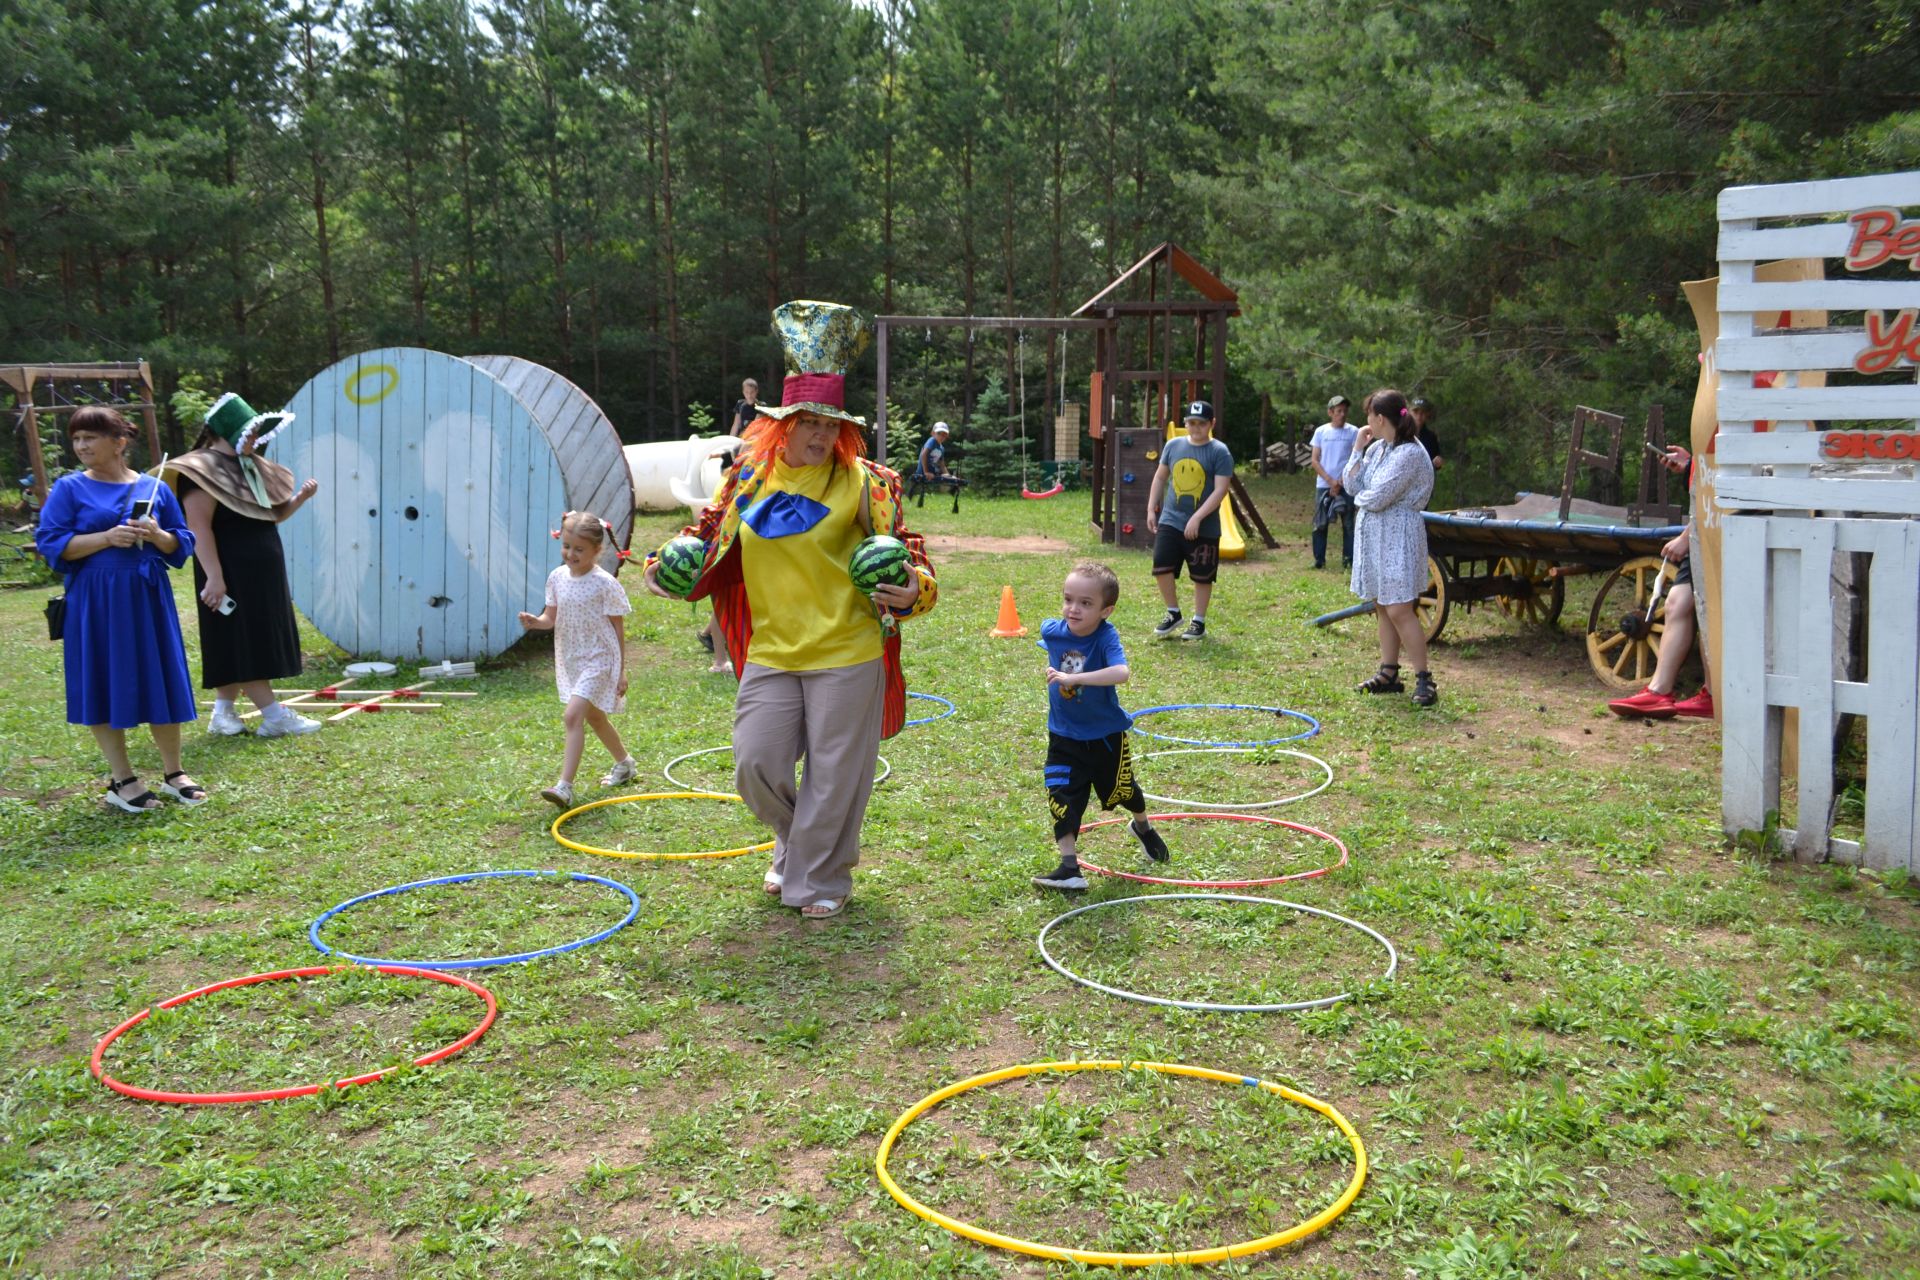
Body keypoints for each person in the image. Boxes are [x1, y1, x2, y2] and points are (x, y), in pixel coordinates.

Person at [643, 300, 938, 920]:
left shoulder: (867, 483)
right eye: (811, 422)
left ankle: (818, 878)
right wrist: (664, 571)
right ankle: (798, 841)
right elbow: (703, 536)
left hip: (849, 650)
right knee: (756, 762)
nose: (824, 435)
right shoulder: (747, 479)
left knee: (836, 778)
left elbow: (909, 555)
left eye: (834, 425)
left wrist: (913, 589)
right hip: (772, 650)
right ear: (784, 422)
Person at [36, 406, 205, 812]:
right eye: (76, 439)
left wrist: (158, 534)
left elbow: (182, 542)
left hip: (147, 595)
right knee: (104, 676)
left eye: (89, 438)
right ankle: (122, 779)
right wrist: (106, 537)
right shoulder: (69, 489)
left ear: (119, 442)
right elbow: (51, 544)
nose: (81, 446)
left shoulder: (154, 487)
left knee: (159, 674)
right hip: (96, 599)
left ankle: (174, 772)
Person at [165, 393, 323, 739]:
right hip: (229, 571)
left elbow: (269, 516)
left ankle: (222, 714)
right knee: (244, 637)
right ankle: (274, 716)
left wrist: (298, 500)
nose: (254, 440)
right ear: (229, 430)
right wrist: (215, 577)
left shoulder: (247, 466)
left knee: (236, 639)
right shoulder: (199, 470)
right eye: (250, 432)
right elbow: (199, 527)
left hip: (259, 572)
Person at [1031, 562, 1169, 890]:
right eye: (1068, 599)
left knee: (1125, 792)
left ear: (1106, 610)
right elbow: (1052, 646)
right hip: (1064, 735)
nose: (1073, 609)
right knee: (1062, 795)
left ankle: (1143, 827)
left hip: (1106, 736)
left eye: (1085, 603)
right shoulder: (1051, 630)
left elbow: (1121, 672)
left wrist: (1073, 678)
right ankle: (1069, 868)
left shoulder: (1106, 635)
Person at [520, 512, 637, 807]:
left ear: (597, 550)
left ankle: (564, 787)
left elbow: (618, 628)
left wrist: (621, 670)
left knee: (572, 715)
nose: (571, 554)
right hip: (572, 657)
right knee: (594, 717)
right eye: (567, 546)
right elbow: (551, 618)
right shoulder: (557, 578)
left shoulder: (604, 583)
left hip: (600, 657)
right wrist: (536, 621)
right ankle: (624, 763)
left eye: (579, 549)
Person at [1345, 388, 1439, 706]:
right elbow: (1352, 484)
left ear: (1380, 418)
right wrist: (1358, 449)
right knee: (1383, 604)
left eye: (1368, 415)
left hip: (1399, 536)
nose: (1366, 421)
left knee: (1399, 607)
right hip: (1376, 536)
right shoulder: (1378, 449)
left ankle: (1425, 679)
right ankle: (1388, 672)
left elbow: (1376, 496)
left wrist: (1362, 499)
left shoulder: (1410, 453)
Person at [1608, 444, 1714, 719]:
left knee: (1709, 610)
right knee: (1677, 603)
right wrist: (1690, 464)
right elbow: (1709, 478)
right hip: (1704, 531)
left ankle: (1714, 694)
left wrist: (1685, 538)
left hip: (1718, 531)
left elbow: (1725, 491)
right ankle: (1659, 692)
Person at [1147, 400, 1233, 641]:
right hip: (1171, 519)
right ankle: (1173, 613)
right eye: (1191, 423)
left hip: (1204, 526)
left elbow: (1220, 490)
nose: (1196, 428)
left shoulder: (1219, 452)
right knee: (1161, 564)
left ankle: (1199, 621)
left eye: (1201, 423)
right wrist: (1151, 507)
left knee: (1202, 574)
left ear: (1211, 423)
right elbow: (1160, 477)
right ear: (1185, 423)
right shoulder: (1173, 445)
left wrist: (1197, 518)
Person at [1310, 394, 1359, 570]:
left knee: (1348, 524)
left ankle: (1348, 560)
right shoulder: (1321, 432)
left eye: (1345, 411)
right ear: (1330, 412)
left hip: (1346, 485)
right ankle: (1319, 560)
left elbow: (1356, 459)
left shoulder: (1353, 432)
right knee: (1320, 523)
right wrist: (1331, 481)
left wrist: (1342, 481)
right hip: (1324, 484)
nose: (1342, 414)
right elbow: (1315, 460)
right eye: (1339, 411)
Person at [1410, 397, 1444, 471]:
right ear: (1410, 413)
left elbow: (1436, 461)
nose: (1419, 416)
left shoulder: (1431, 437)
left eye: (1422, 413)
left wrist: (1437, 462)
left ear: (1427, 414)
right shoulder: (1401, 433)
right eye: (1416, 412)